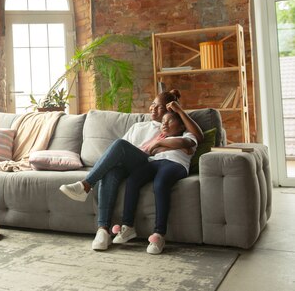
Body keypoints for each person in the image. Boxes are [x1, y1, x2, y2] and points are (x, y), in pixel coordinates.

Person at [59, 89, 203, 251]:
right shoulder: (139, 126)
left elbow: (194, 138)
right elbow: (120, 152)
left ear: (169, 111)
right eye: (153, 105)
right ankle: (103, 230)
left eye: (160, 107)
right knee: (111, 170)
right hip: (129, 162)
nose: (153, 109)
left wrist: (163, 135)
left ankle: (86, 184)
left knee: (120, 144)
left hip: (144, 162)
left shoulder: (167, 130)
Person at [111, 109, 197, 255]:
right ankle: (128, 226)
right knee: (133, 180)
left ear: (182, 126)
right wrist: (161, 145)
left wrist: (159, 144)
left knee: (160, 184)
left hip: (175, 164)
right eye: (163, 122)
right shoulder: (159, 136)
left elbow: (183, 142)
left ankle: (159, 234)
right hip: (154, 163)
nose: (164, 124)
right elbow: (150, 152)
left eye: (169, 121)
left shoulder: (187, 134)